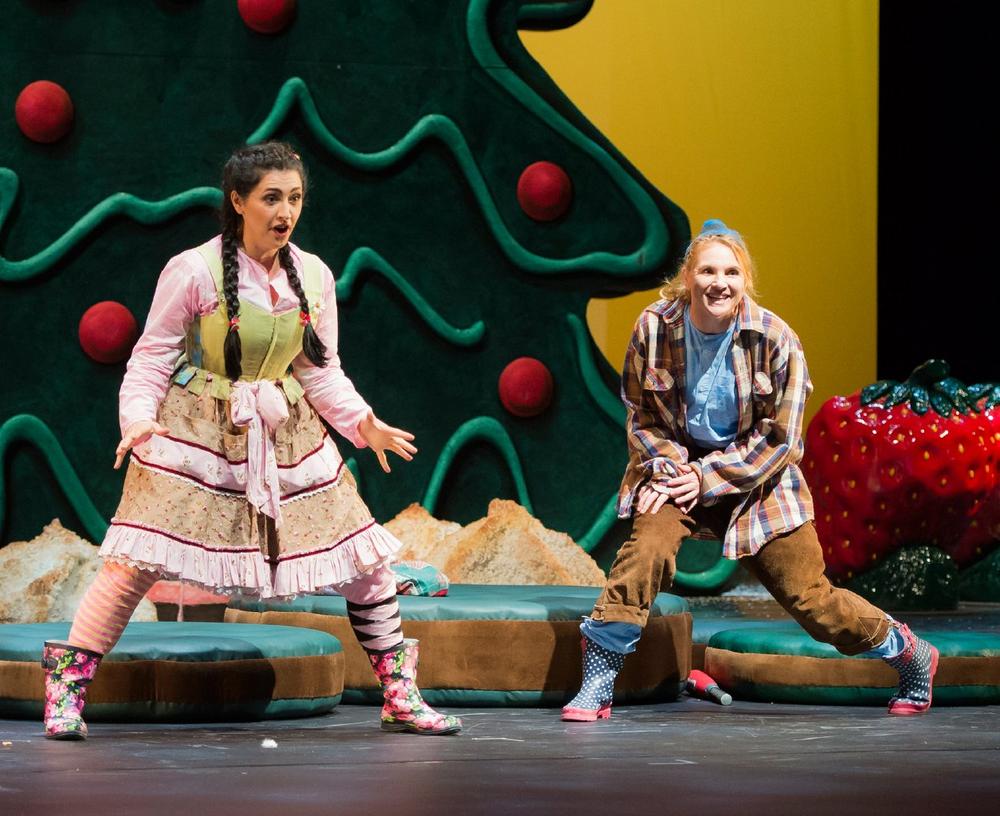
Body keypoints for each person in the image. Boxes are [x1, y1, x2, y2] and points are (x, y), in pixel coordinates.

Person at [41, 142, 461, 739]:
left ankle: (399, 694)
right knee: (133, 565)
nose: (285, 211)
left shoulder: (313, 275)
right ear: (238, 202)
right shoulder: (193, 270)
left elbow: (320, 371)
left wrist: (362, 423)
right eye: (271, 198)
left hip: (285, 435)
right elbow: (152, 357)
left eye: (295, 198)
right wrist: (136, 420)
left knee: (365, 563)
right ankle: (66, 695)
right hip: (197, 431)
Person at [562, 219, 937, 721]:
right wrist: (672, 470)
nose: (719, 283)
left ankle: (908, 653)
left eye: (731, 272)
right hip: (678, 473)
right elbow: (641, 414)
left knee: (812, 599)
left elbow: (781, 440)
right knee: (644, 551)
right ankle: (599, 678)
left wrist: (706, 477)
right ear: (687, 277)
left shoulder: (776, 339)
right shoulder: (653, 326)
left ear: (745, 281)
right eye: (708, 271)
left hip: (758, 483)